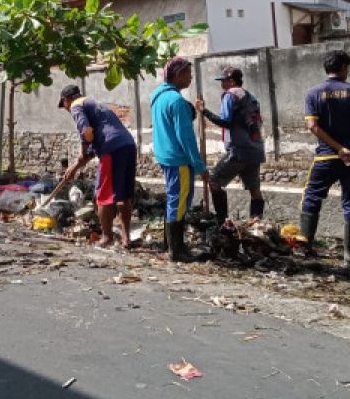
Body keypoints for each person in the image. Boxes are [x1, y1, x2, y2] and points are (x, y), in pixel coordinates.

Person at [299, 49, 350, 265]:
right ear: (342, 68)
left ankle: (305, 248)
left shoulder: (313, 93)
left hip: (325, 158)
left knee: (311, 198)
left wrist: (337, 149)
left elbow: (312, 126)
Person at [57, 84, 138, 248]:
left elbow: (86, 132)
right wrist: (74, 167)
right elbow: (92, 148)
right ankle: (126, 239)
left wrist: (81, 154)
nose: (66, 109)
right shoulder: (96, 105)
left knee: (103, 195)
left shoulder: (76, 105)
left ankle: (107, 238)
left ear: (67, 100)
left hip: (111, 148)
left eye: (64, 105)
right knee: (123, 196)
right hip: (128, 145)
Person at [150, 56, 210, 262]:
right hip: (179, 159)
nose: (191, 77)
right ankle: (177, 251)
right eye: (187, 73)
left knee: (173, 200)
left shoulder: (158, 97)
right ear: (176, 75)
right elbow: (186, 138)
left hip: (165, 156)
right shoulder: (176, 101)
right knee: (180, 202)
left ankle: (170, 248)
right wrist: (200, 166)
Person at [196, 66, 266, 223]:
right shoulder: (251, 97)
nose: (222, 84)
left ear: (231, 81)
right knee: (255, 190)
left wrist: (203, 111)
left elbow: (225, 122)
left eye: (224, 81)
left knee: (214, 182)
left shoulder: (230, 96)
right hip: (255, 151)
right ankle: (256, 225)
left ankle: (222, 222)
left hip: (238, 151)